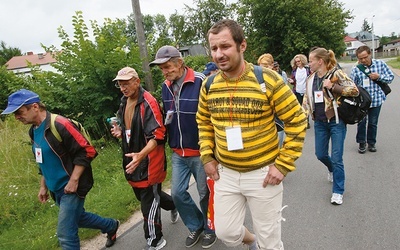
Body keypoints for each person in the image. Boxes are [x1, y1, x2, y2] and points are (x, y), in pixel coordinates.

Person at [196, 19, 307, 250]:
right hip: (225, 173)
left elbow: (297, 121)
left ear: (242, 46)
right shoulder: (208, 85)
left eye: (225, 46)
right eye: (214, 48)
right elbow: (204, 122)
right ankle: (251, 240)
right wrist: (207, 156)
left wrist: (283, 165)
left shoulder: (268, 80)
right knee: (226, 233)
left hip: (264, 175)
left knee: (270, 242)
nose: (218, 54)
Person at [1, 89, 120, 249]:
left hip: (72, 188)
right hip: (55, 188)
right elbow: (42, 160)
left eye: (19, 112)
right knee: (78, 218)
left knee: (65, 234)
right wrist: (43, 186)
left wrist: (73, 181)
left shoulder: (60, 124)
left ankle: (109, 226)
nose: (16, 117)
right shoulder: (33, 131)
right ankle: (110, 225)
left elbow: (87, 151)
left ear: (35, 107)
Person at [149, 46, 217, 248]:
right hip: (178, 151)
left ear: (180, 63)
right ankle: (196, 225)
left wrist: (213, 150)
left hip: (200, 151)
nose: (165, 72)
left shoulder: (200, 81)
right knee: (178, 193)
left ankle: (210, 228)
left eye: (167, 66)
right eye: (161, 68)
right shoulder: (165, 86)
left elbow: (213, 116)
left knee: (205, 193)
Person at [110, 67, 177, 250]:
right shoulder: (124, 101)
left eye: (126, 83)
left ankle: (155, 240)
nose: (123, 88)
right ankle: (174, 204)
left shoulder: (148, 102)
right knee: (145, 197)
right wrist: (120, 131)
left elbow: (159, 135)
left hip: (150, 161)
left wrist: (141, 155)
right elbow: (129, 127)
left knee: (148, 203)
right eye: (120, 84)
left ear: (137, 81)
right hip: (134, 160)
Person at [302, 47, 359, 205]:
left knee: (337, 157)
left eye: (311, 61)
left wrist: (333, 87)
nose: (309, 64)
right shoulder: (311, 79)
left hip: (336, 122)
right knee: (320, 154)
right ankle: (332, 169)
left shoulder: (336, 73)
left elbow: (354, 90)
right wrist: (301, 118)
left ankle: (338, 191)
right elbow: (306, 101)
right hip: (319, 122)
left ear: (320, 61)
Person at [350, 45, 394, 153]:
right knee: (361, 122)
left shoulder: (380, 64)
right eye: (360, 58)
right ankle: (361, 142)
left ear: (370, 54)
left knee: (373, 123)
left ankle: (371, 143)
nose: (363, 60)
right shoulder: (356, 69)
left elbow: (391, 77)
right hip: (362, 102)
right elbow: (351, 84)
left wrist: (379, 77)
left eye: (365, 57)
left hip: (377, 100)